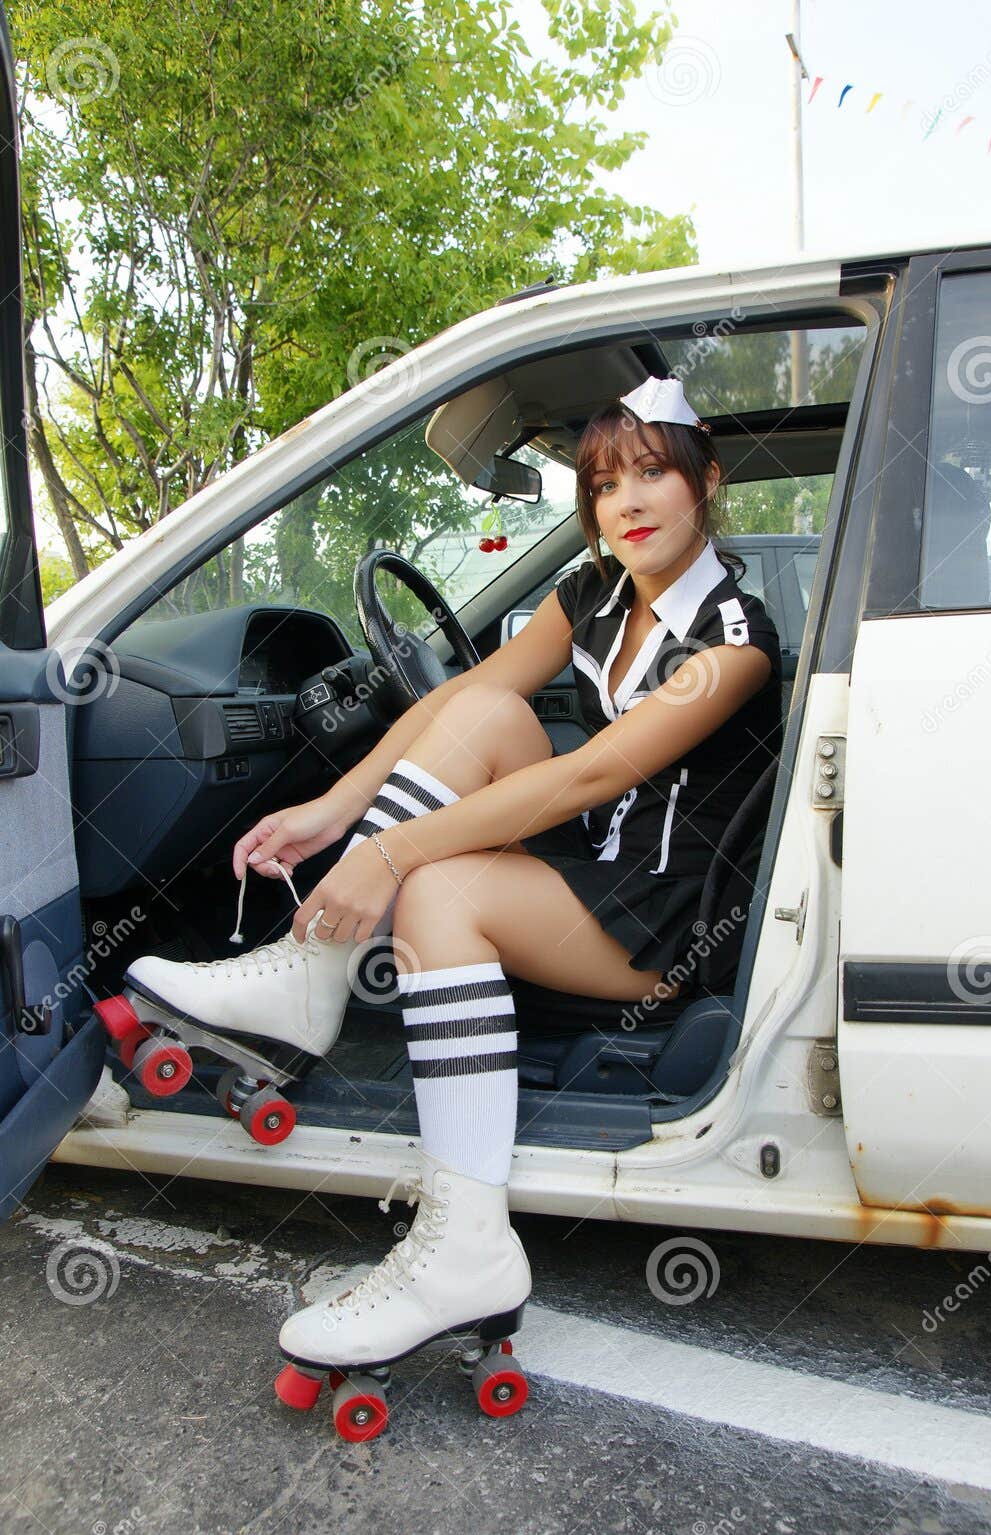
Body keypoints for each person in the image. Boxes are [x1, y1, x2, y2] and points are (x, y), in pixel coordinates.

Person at [124, 373, 782, 1395]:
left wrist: (389, 855)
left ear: (704, 480)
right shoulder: (591, 596)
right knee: (474, 717)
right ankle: (310, 973)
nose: (628, 501)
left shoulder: (733, 641)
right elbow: (460, 700)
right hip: (598, 865)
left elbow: (590, 774)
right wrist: (337, 810)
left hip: (662, 919)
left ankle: (464, 1245)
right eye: (605, 483)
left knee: (436, 892)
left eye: (653, 471)